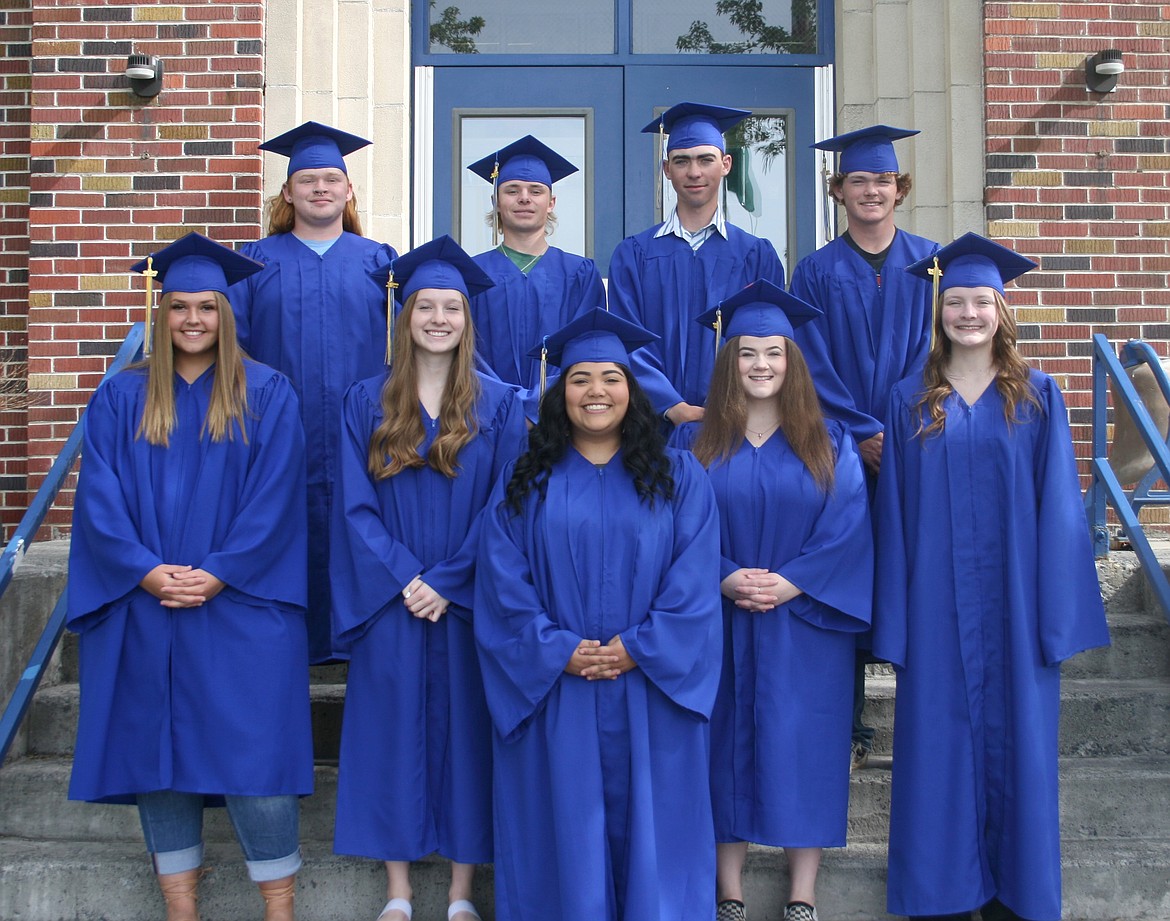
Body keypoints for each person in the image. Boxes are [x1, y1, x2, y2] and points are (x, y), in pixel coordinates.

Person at [68, 232, 313, 921]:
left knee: (256, 762)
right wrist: (146, 572)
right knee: (160, 759)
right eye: (179, 307)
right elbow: (101, 498)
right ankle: (181, 910)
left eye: (207, 306)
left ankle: (280, 909)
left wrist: (217, 574)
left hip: (242, 606)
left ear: (227, 313)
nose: (193, 319)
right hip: (146, 602)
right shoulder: (121, 397)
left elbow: (276, 499)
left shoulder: (268, 392)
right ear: (160, 313)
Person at [873, 233, 1111, 921]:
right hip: (935, 607)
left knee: (1023, 751)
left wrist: (1056, 617)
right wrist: (896, 618)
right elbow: (895, 516)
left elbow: (1062, 509)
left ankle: (1018, 894)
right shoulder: (910, 400)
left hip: (1015, 604)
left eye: (982, 301)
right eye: (956, 301)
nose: (969, 314)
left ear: (1003, 310)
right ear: (938, 310)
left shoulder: (1036, 397)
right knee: (936, 753)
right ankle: (942, 897)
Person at [474, 309, 723, 921]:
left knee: (655, 839)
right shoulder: (524, 480)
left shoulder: (679, 477)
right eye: (580, 378)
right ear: (559, 393)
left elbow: (694, 581)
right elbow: (504, 584)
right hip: (559, 688)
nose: (596, 392)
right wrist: (556, 648)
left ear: (632, 392)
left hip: (650, 688)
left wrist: (640, 646)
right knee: (564, 838)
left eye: (611, 377)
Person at [330, 236, 527, 921]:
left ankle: (463, 892)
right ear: (404, 313)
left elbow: (508, 504)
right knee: (390, 730)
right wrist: (405, 576)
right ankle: (399, 890)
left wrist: (448, 579)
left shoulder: (502, 405)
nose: (439, 317)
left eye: (452, 307)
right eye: (426, 306)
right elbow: (352, 505)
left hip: (467, 598)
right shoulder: (365, 401)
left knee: (470, 733)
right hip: (392, 597)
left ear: (469, 318)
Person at [673, 281, 873, 921]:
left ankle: (802, 894)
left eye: (774, 353)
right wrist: (725, 576)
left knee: (806, 742)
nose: (761, 365)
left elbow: (847, 525)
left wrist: (793, 581)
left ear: (793, 363)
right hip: (717, 618)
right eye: (747, 354)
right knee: (719, 738)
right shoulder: (693, 446)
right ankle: (726, 889)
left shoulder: (830, 440)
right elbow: (676, 530)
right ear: (727, 364)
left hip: (806, 619)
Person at [788, 124, 940, 772]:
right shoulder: (815, 271)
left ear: (899, 190)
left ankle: (922, 722)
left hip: (918, 448)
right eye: (859, 181)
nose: (871, 191)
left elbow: (939, 352)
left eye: (882, 180)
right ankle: (850, 727)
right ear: (839, 190)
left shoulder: (933, 262)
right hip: (842, 453)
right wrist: (861, 431)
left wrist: (898, 429)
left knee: (917, 580)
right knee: (846, 582)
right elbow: (809, 364)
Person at [228, 120, 397, 662]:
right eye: (307, 180)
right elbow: (233, 348)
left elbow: (414, 342)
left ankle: (356, 636)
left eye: (331, 179)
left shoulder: (380, 261)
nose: (320, 188)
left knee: (361, 519)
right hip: (276, 430)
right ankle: (286, 640)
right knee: (280, 522)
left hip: (364, 429)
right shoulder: (253, 261)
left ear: (349, 191)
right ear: (288, 192)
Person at [608, 101, 786, 425]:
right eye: (682, 161)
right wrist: (670, 404)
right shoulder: (633, 255)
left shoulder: (756, 255)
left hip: (736, 425)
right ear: (666, 169)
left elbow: (767, 341)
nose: (694, 172)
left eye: (706, 159)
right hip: (650, 426)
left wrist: (730, 406)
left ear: (726, 164)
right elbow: (626, 338)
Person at [466, 135, 605, 420]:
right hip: (486, 415)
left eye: (536, 190)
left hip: (562, 418)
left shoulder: (580, 274)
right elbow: (466, 354)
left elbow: (586, 347)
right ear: (496, 201)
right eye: (512, 190)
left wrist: (544, 402)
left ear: (551, 202)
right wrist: (505, 401)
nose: (524, 198)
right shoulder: (471, 275)